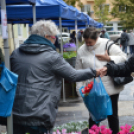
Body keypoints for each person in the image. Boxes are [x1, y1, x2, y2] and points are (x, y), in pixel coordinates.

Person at [0, 20, 100, 134]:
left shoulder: (16, 53)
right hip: (39, 114)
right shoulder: (52, 56)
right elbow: (73, 75)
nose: (55, 40)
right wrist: (94, 71)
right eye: (54, 37)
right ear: (47, 36)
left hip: (14, 112)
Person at [75, 27, 127, 134]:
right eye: (86, 42)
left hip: (110, 89)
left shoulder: (107, 44)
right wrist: (79, 88)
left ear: (97, 38)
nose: (88, 44)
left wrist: (109, 59)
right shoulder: (81, 50)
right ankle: (93, 132)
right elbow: (78, 71)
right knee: (93, 116)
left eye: (90, 42)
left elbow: (124, 57)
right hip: (91, 89)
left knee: (112, 115)